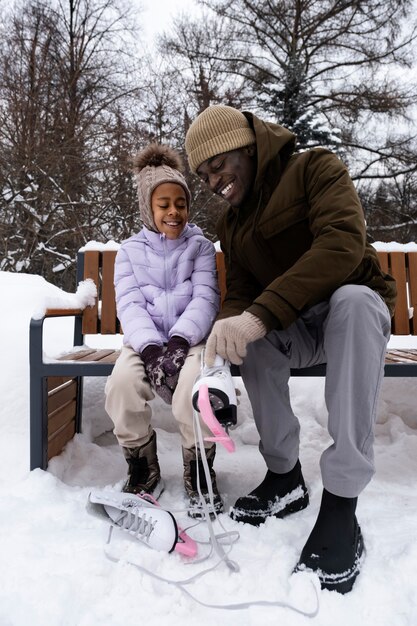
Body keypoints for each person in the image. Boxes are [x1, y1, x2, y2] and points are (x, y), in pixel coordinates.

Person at [184, 105, 396, 593]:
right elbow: (239, 292)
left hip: (352, 316)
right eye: (204, 175)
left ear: (247, 146)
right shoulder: (233, 226)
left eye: (219, 165)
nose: (214, 181)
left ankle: (342, 501)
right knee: (252, 337)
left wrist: (264, 311)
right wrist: (232, 325)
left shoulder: (314, 168)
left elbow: (343, 243)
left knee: (355, 302)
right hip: (298, 327)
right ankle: (285, 476)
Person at [104, 143, 222, 518]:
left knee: (195, 390)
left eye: (180, 203)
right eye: (163, 204)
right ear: (147, 208)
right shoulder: (129, 251)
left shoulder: (200, 247)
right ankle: (142, 465)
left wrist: (179, 340)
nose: (174, 212)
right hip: (144, 343)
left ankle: (199, 467)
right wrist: (152, 348)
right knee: (121, 385)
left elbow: (206, 298)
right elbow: (130, 305)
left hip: (191, 341)